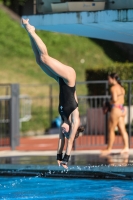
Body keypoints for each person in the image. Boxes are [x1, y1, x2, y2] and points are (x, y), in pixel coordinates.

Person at [22, 18, 84, 169]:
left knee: (39, 60)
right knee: (45, 58)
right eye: (66, 131)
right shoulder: (74, 120)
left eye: (63, 132)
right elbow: (68, 142)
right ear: (72, 130)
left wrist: (58, 157)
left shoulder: (63, 121)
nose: (62, 131)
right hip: (69, 78)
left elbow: (61, 141)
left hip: (60, 80)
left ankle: (29, 33)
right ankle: (31, 30)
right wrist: (66, 159)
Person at [101, 73, 129, 156]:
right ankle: (126, 147)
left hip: (116, 109)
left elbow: (114, 99)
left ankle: (109, 148)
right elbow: (121, 100)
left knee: (111, 129)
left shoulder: (113, 88)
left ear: (113, 79)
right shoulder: (122, 88)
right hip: (122, 109)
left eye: (109, 79)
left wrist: (107, 103)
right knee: (122, 129)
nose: (108, 81)